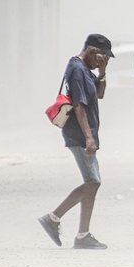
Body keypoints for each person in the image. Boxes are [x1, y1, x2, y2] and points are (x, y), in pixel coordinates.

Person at [39, 33, 114, 250]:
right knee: (93, 182)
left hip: (85, 134)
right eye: (101, 57)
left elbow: (99, 95)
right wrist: (89, 138)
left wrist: (102, 72)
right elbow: (79, 106)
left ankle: (81, 234)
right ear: (92, 51)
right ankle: (55, 219)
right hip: (80, 135)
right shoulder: (78, 70)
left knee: (93, 182)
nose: (102, 60)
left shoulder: (86, 70)